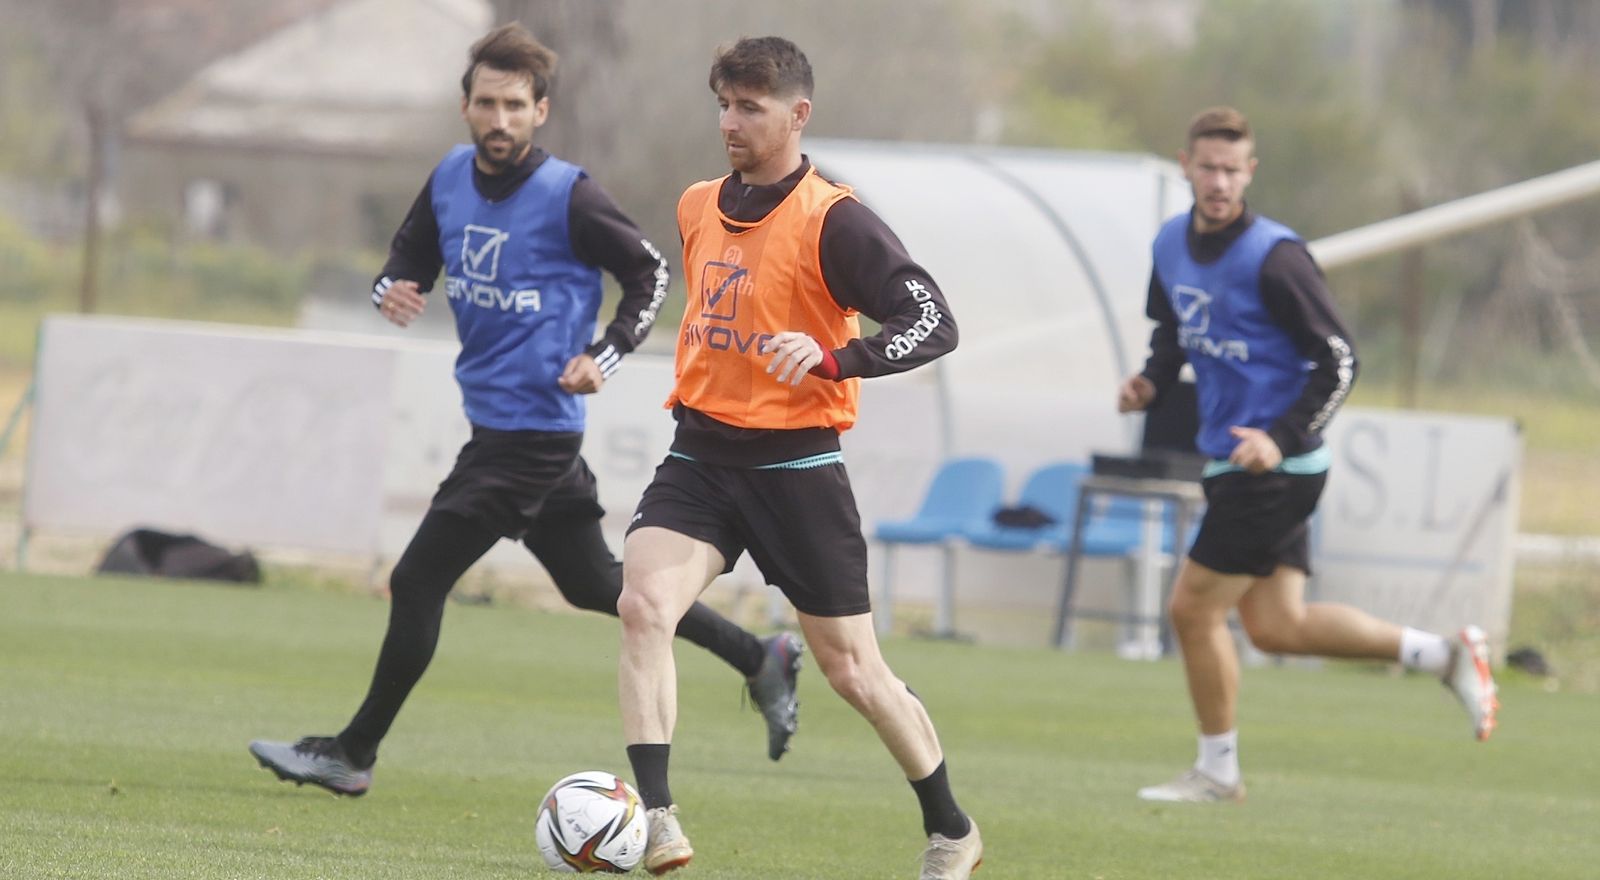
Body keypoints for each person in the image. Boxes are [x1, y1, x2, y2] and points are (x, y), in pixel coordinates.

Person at [248, 23, 804, 798]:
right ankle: (759, 656)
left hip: (531, 436)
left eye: (516, 105)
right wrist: (391, 290)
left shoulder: (568, 194)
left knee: (416, 580)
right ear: (466, 108)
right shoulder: (449, 177)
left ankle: (352, 752)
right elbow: (407, 260)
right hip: (502, 427)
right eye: (487, 103)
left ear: (541, 111)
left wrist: (605, 353)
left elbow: (648, 272)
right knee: (592, 583)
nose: (500, 119)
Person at [614, 36, 982, 880]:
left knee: (853, 672)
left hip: (797, 470)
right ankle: (657, 819)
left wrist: (837, 358)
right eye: (724, 105)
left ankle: (952, 828)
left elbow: (932, 319)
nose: (730, 122)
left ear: (798, 114)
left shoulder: (834, 218)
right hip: (700, 456)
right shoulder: (697, 204)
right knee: (643, 606)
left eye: (751, 107)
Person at [1117, 106, 1500, 804]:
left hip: (1275, 469)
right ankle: (1444, 655)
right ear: (1186, 166)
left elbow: (1340, 361)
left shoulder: (1277, 257)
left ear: (1250, 172)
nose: (1219, 181)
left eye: (1232, 170)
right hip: (1235, 460)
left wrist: (1279, 437)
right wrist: (1151, 381)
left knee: (1192, 611)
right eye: (1208, 167)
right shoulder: (1170, 243)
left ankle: (1217, 772)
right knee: (1277, 627)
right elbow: (1174, 330)